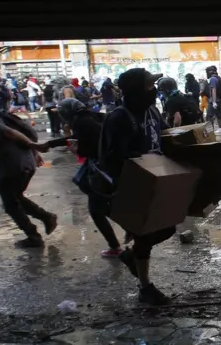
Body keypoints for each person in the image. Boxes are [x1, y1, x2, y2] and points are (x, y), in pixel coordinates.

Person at [98, 68, 173, 305]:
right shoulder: (118, 118)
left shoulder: (152, 111)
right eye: (149, 86)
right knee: (148, 232)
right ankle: (145, 287)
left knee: (167, 227)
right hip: (130, 187)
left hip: (155, 182)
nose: (154, 90)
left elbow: (165, 136)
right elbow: (112, 159)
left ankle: (132, 257)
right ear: (135, 91)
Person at [0, 91, 58, 248]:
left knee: (11, 203)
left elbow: (10, 132)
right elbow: (23, 129)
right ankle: (45, 218)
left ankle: (34, 235)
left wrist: (33, 147)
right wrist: (32, 151)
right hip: (24, 162)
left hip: (12, 165)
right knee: (15, 197)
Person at [45, 98, 123, 257]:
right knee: (103, 206)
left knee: (96, 209)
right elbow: (79, 138)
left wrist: (77, 150)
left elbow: (90, 146)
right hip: (108, 166)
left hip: (101, 167)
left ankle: (116, 246)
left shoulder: (82, 122)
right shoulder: (90, 118)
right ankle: (129, 233)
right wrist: (52, 144)